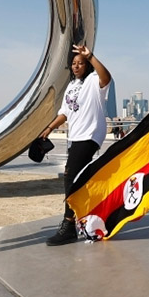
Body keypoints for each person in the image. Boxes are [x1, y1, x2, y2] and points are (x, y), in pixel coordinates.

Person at [39, 44, 112, 246]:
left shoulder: (93, 81)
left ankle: (68, 224)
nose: (76, 66)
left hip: (90, 135)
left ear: (87, 65)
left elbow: (107, 77)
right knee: (79, 178)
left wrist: (92, 56)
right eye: (74, 63)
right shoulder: (71, 86)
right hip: (75, 137)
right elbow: (65, 113)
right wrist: (49, 128)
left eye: (81, 63)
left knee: (70, 176)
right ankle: (89, 216)